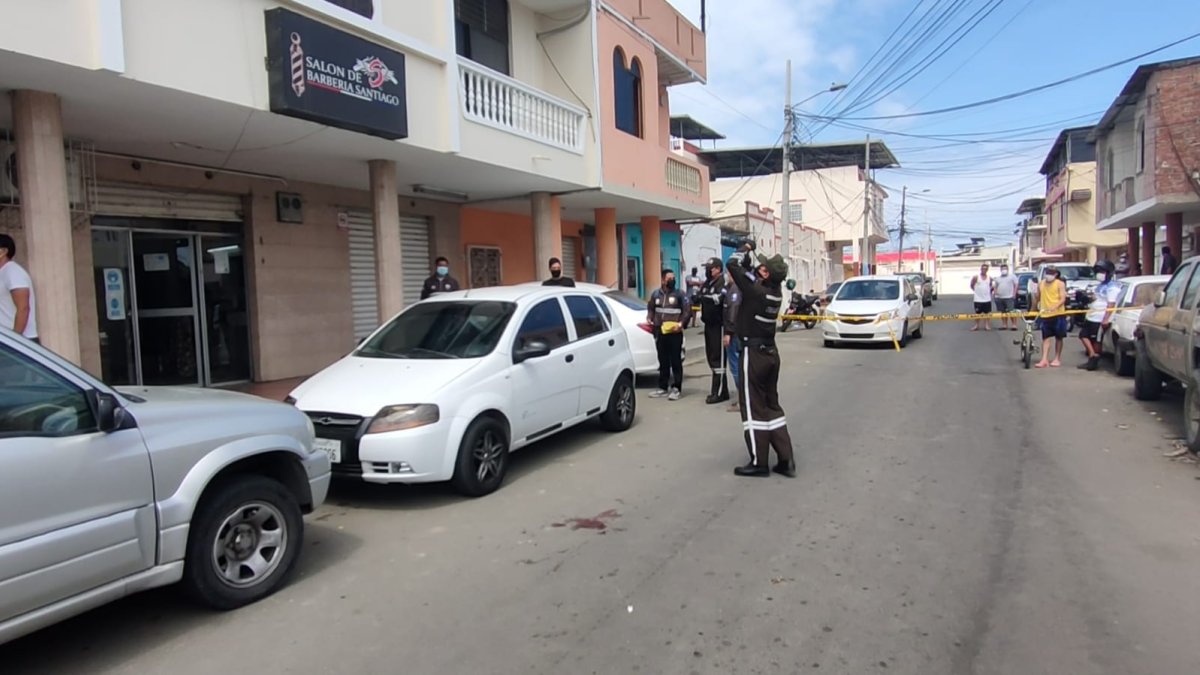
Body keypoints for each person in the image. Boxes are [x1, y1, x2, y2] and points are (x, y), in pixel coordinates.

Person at [727, 245, 796, 478]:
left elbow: (733, 265)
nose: (759, 267)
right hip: (770, 354)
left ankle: (759, 462)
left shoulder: (756, 291)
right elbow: (746, 273)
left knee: (753, 407)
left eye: (762, 266)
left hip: (753, 353)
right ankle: (786, 460)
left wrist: (743, 248)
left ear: (766, 274)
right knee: (771, 406)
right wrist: (751, 263)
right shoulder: (774, 293)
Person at [647, 269, 690, 401]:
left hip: (675, 332)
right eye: (669, 278)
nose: (672, 280)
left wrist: (681, 324)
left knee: (676, 361)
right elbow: (651, 308)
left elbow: (687, 311)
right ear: (663, 280)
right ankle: (663, 387)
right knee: (663, 360)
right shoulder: (656, 294)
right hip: (661, 332)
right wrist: (650, 318)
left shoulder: (680, 294)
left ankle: (677, 388)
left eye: (673, 278)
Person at [1079, 260, 1120, 371]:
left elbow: (1111, 304)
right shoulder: (1100, 286)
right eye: (1098, 271)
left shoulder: (1113, 288)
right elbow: (1096, 298)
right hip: (1092, 315)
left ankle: (1094, 359)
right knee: (1083, 335)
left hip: (1100, 318)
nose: (1099, 274)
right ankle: (1092, 355)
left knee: (1096, 339)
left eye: (1102, 271)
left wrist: (1106, 319)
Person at [697, 257, 728, 405]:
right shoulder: (707, 283)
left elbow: (718, 299)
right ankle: (723, 389)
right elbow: (699, 296)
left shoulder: (723, 283)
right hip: (708, 325)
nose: (708, 271)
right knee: (711, 357)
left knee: (718, 358)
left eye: (711, 268)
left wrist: (704, 297)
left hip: (718, 325)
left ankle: (719, 392)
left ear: (718, 269)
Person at [0, 233, 37, 343]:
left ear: (3, 251)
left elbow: (23, 308)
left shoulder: (13, 272)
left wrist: (16, 340)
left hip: (21, 341)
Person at [1033, 265, 1069, 368]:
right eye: (1047, 272)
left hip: (1058, 314)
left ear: (1056, 274)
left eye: (1051, 273)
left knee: (1059, 337)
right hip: (1045, 314)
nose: (1048, 275)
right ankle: (1044, 359)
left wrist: (1055, 306)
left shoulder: (1060, 284)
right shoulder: (1041, 284)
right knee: (1046, 338)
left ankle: (1057, 358)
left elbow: (1063, 298)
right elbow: (1037, 298)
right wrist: (1034, 309)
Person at [721, 269, 743, 414]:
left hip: (734, 334)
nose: (727, 276)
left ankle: (743, 400)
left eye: (729, 274)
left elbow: (733, 313)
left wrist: (728, 333)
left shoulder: (735, 291)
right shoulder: (733, 289)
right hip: (737, 332)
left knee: (735, 367)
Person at [992, 264, 1019, 330]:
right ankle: (1004, 325)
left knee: (1011, 312)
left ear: (1007, 269)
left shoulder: (1012, 277)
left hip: (1009, 297)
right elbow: (995, 287)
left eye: (1005, 269)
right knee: (1003, 312)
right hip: (1000, 298)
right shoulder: (998, 278)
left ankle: (1014, 325)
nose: (1004, 270)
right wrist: (995, 294)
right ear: (1000, 270)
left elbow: (1016, 285)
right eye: (1002, 269)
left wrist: (1014, 293)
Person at [970, 263, 995, 331]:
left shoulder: (990, 278)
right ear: (981, 269)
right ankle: (976, 325)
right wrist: (976, 291)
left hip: (987, 299)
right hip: (978, 299)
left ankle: (987, 325)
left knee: (988, 313)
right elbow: (971, 285)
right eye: (983, 268)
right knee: (978, 314)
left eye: (985, 269)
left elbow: (992, 286)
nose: (984, 270)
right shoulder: (976, 277)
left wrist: (990, 291)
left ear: (987, 270)